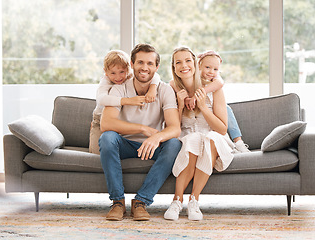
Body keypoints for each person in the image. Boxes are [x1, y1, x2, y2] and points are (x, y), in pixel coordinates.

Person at [99, 44, 182, 221]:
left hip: (152, 146)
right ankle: (117, 202)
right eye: (141, 62)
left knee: (174, 143)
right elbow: (106, 123)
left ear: (156, 67)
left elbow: (175, 127)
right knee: (107, 138)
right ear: (132, 64)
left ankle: (141, 202)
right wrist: (142, 129)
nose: (145, 68)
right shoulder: (119, 88)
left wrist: (157, 137)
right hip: (125, 144)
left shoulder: (165, 90)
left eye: (150, 64)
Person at [164, 46, 235, 221]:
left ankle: (194, 200)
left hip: (214, 137)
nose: (184, 65)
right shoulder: (171, 89)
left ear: (195, 64)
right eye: (178, 62)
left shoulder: (214, 89)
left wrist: (203, 106)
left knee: (208, 138)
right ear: (173, 68)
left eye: (188, 61)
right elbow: (172, 128)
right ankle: (177, 200)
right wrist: (180, 105)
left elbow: (222, 129)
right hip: (188, 138)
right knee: (194, 139)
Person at [171, 50, 250, 153]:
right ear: (199, 65)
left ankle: (238, 141)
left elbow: (220, 83)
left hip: (211, 131)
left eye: (215, 69)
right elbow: (172, 83)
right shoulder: (176, 85)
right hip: (189, 140)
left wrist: (196, 97)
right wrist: (184, 100)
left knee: (227, 109)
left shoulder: (214, 80)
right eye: (207, 67)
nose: (211, 72)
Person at [89, 50, 161, 154]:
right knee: (97, 154)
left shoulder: (130, 76)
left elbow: (155, 75)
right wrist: (127, 101)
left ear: (128, 68)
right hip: (100, 119)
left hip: (118, 119)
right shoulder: (105, 81)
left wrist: (153, 88)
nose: (118, 77)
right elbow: (102, 99)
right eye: (113, 73)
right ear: (105, 71)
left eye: (122, 72)